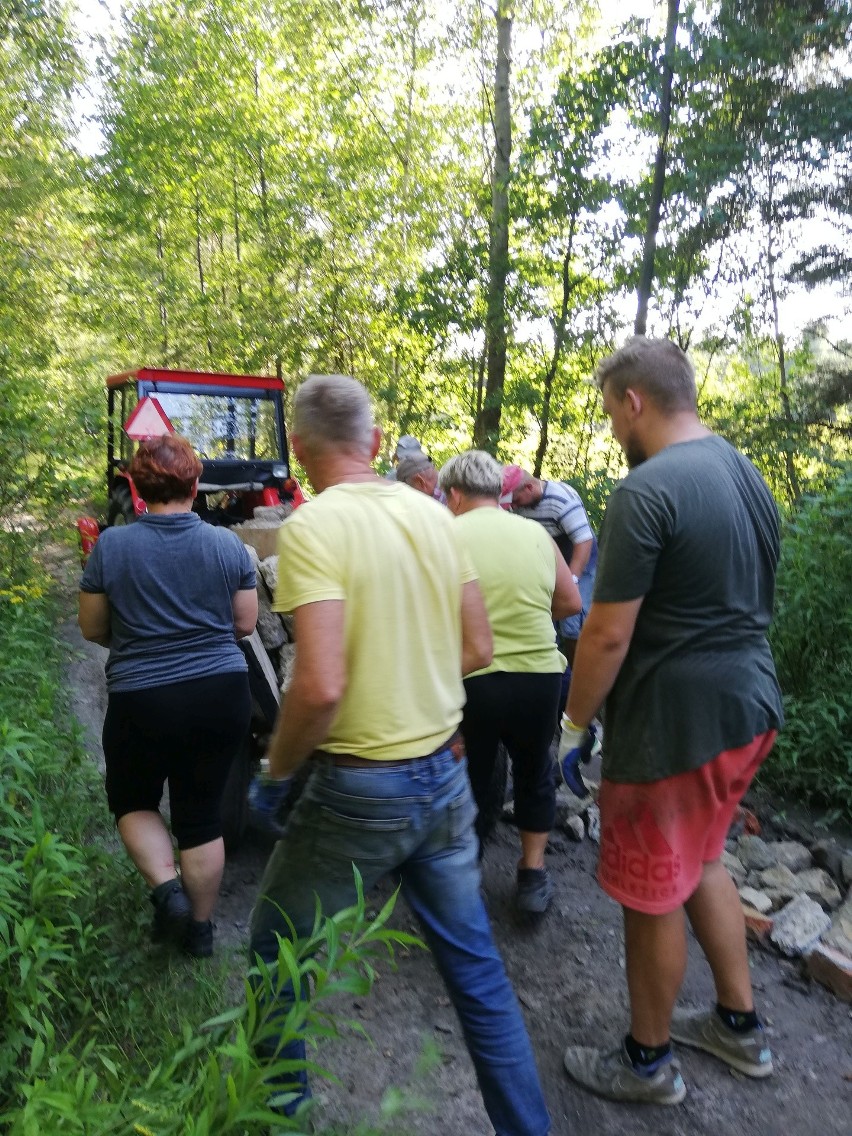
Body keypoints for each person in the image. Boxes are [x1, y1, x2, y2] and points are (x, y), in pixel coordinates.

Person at [248, 375, 551, 1135]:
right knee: (478, 977)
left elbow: (317, 687)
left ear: (299, 450)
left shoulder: (312, 527)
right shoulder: (432, 516)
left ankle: (283, 1118)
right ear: (376, 444)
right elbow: (480, 646)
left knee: (277, 953)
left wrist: (275, 772)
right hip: (446, 778)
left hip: (357, 786)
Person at [557, 337, 783, 1105]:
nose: (616, 433)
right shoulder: (744, 472)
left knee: (651, 889)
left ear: (633, 402)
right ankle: (737, 1026)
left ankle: (647, 1063)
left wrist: (573, 724)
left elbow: (608, 631)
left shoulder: (648, 490)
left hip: (675, 727)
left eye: (612, 416)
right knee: (703, 860)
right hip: (749, 706)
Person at [78, 434, 257, 958]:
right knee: (200, 815)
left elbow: (90, 628)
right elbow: (244, 624)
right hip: (221, 693)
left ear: (134, 486)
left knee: (133, 799)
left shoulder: (112, 545)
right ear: (196, 484)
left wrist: (137, 635)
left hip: (143, 697)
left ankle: (167, 889)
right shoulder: (228, 546)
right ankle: (199, 931)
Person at [439, 450, 580, 915]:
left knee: (472, 775)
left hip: (473, 678)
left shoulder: (442, 535)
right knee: (534, 771)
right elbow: (570, 601)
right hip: (540, 677)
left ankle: (464, 876)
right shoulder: (536, 534)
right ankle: (532, 875)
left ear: (455, 494)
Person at [506, 465, 597, 667]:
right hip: (546, 559)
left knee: (573, 620)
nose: (513, 506)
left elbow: (583, 541)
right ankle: (553, 669)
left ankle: (578, 675)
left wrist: (572, 579)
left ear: (529, 487)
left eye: (516, 500)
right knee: (545, 616)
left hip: (579, 557)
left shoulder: (562, 500)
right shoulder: (516, 503)